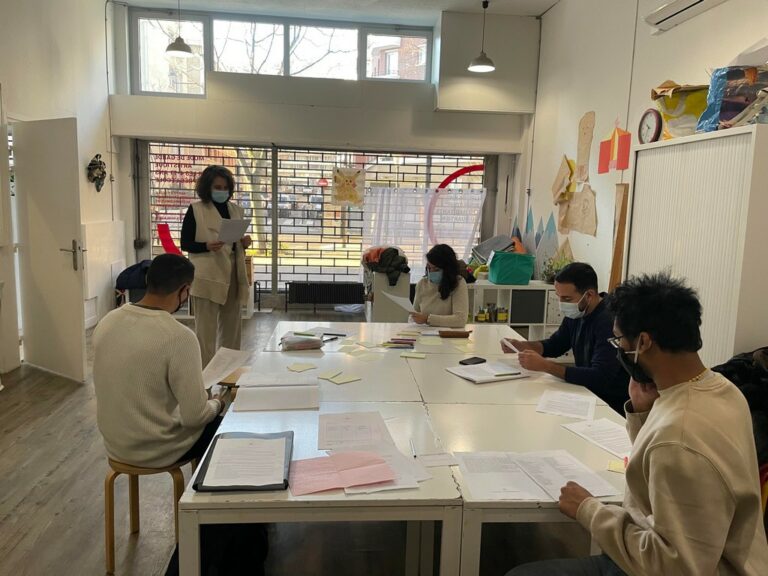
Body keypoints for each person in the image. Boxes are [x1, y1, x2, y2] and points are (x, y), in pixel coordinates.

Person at [507, 272, 768, 575]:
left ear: (642, 342)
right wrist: (643, 413)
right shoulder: (722, 389)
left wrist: (589, 510)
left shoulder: (679, 434)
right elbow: (660, 474)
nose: (618, 349)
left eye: (619, 340)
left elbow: (676, 567)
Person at [94, 254, 226, 468]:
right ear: (184, 290)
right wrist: (218, 403)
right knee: (227, 425)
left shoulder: (108, 321)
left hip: (116, 446)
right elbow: (195, 417)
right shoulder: (179, 337)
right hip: (158, 449)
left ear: (148, 281)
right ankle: (202, 496)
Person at [501, 262, 629, 414]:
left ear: (589, 295)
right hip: (586, 393)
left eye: (567, 299)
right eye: (559, 297)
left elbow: (600, 377)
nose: (562, 304)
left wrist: (546, 366)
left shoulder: (608, 321)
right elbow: (556, 344)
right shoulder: (577, 311)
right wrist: (523, 345)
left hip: (610, 404)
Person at [181, 165, 251, 367]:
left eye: (225, 187)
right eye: (217, 187)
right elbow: (185, 243)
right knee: (206, 335)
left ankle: (229, 377)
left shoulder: (236, 210)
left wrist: (244, 243)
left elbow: (236, 243)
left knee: (232, 332)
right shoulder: (197, 209)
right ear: (207, 187)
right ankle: (206, 385)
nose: (222, 191)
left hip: (232, 277)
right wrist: (206, 245)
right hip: (207, 277)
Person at [411, 244, 469, 328]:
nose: (431, 272)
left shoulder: (458, 283)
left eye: (436, 269)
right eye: (429, 268)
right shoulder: (422, 283)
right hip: (425, 334)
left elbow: (460, 319)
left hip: (449, 336)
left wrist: (428, 319)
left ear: (448, 269)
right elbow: (414, 314)